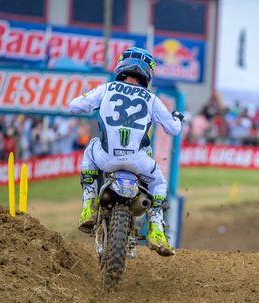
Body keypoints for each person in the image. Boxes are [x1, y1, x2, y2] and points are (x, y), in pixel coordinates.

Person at [68, 47, 183, 257]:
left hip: (106, 158)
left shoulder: (106, 89)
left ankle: (89, 204)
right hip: (138, 161)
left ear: (121, 65)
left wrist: (88, 100)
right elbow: (174, 129)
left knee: (91, 147)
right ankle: (156, 229)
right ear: (148, 72)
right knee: (159, 183)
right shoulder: (152, 99)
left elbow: (74, 106)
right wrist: (177, 118)